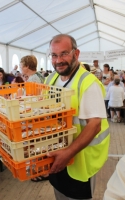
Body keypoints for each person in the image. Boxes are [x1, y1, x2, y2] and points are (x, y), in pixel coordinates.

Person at [45, 34, 110, 199]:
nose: (58, 60)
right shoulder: (51, 79)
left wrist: (67, 153)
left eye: (64, 53)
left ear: (76, 53)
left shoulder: (87, 83)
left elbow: (94, 125)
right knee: (60, 194)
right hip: (56, 154)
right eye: (54, 55)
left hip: (79, 158)